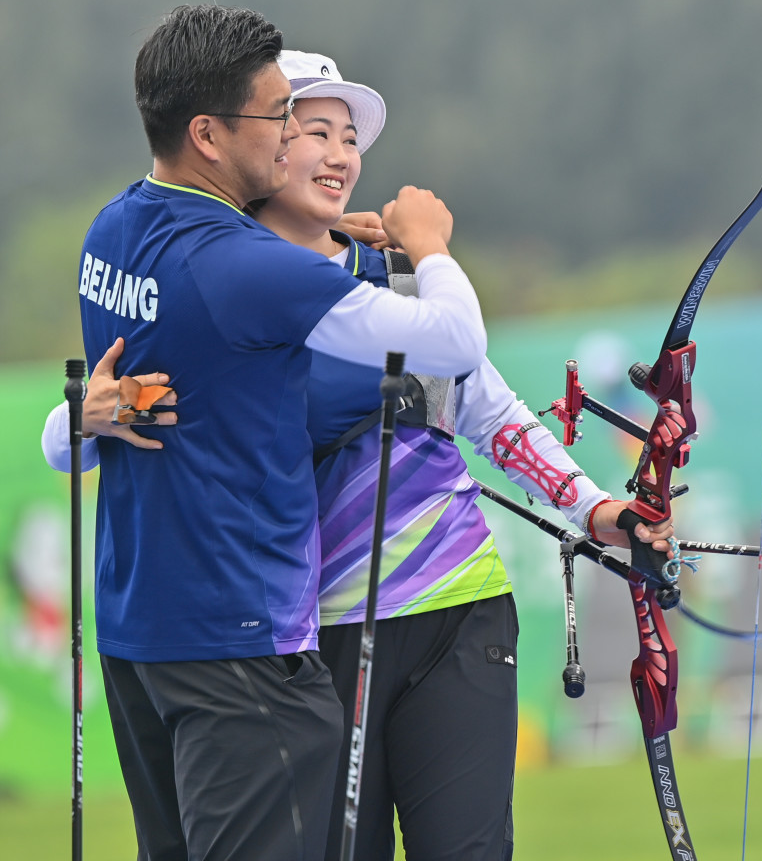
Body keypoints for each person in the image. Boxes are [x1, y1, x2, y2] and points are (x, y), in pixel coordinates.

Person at [45, 44, 674, 861]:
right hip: (315, 636)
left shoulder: (398, 281)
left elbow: (490, 414)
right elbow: (120, 426)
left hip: (454, 607)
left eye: (350, 138)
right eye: (308, 129)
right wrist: (83, 421)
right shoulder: (225, 278)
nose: (339, 155)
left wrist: (595, 508)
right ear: (261, 149)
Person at [68, 5, 490, 861]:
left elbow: (133, 397)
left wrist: (74, 420)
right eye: (279, 118)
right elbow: (455, 344)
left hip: (139, 639)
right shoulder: (244, 264)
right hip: (241, 647)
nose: (292, 138)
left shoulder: (112, 231)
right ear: (208, 135)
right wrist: (427, 245)